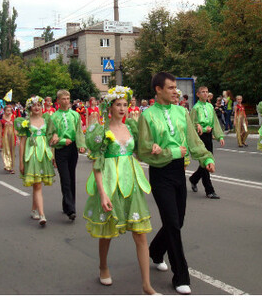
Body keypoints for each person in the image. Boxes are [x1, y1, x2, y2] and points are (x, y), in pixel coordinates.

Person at [135, 72, 216, 295]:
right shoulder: (148, 116)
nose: (175, 91)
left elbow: (193, 140)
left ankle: (155, 250)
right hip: (160, 173)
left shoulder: (182, 112)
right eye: (170, 88)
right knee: (172, 222)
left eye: (175, 88)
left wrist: (206, 157)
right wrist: (170, 151)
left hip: (179, 171)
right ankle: (181, 275)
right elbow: (143, 151)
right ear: (158, 90)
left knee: (177, 221)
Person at [83, 86, 157, 295]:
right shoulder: (101, 131)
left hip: (131, 183)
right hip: (109, 183)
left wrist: (153, 149)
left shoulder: (131, 127)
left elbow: (139, 154)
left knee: (140, 233)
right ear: (110, 106)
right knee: (107, 232)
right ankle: (103, 266)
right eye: (119, 104)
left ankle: (146, 285)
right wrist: (103, 193)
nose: (123, 108)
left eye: (125, 104)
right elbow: (97, 165)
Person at [46, 89, 86, 221]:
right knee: (65, 178)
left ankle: (68, 204)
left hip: (73, 149)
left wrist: (81, 145)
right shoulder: (54, 117)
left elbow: (79, 131)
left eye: (68, 98)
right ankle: (71, 209)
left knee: (71, 177)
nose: (66, 101)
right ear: (58, 101)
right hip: (61, 149)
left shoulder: (75, 115)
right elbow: (50, 136)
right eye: (63, 99)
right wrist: (62, 140)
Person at [16, 96, 55, 227]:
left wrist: (52, 155)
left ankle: (34, 210)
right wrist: (21, 162)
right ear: (29, 108)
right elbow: (22, 143)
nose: (37, 107)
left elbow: (50, 138)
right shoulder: (25, 122)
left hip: (43, 154)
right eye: (34, 105)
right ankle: (42, 215)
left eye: (39, 105)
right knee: (37, 184)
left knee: (37, 184)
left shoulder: (47, 120)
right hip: (31, 154)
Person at [188, 86, 224, 200]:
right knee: (205, 163)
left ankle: (194, 179)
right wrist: (203, 129)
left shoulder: (210, 106)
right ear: (198, 94)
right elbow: (192, 125)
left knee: (208, 160)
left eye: (206, 92)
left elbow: (215, 122)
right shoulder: (196, 108)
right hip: (200, 137)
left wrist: (219, 136)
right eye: (202, 92)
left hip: (208, 136)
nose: (205, 94)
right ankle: (209, 190)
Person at [0, 104, 17, 173]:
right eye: (7, 111)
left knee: (12, 150)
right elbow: (0, 130)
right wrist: (0, 139)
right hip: (5, 136)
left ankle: (12, 166)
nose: (9, 112)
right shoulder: (2, 120)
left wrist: (17, 138)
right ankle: (7, 165)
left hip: (12, 136)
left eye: (10, 111)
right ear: (4, 111)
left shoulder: (13, 117)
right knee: (6, 150)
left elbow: (15, 128)